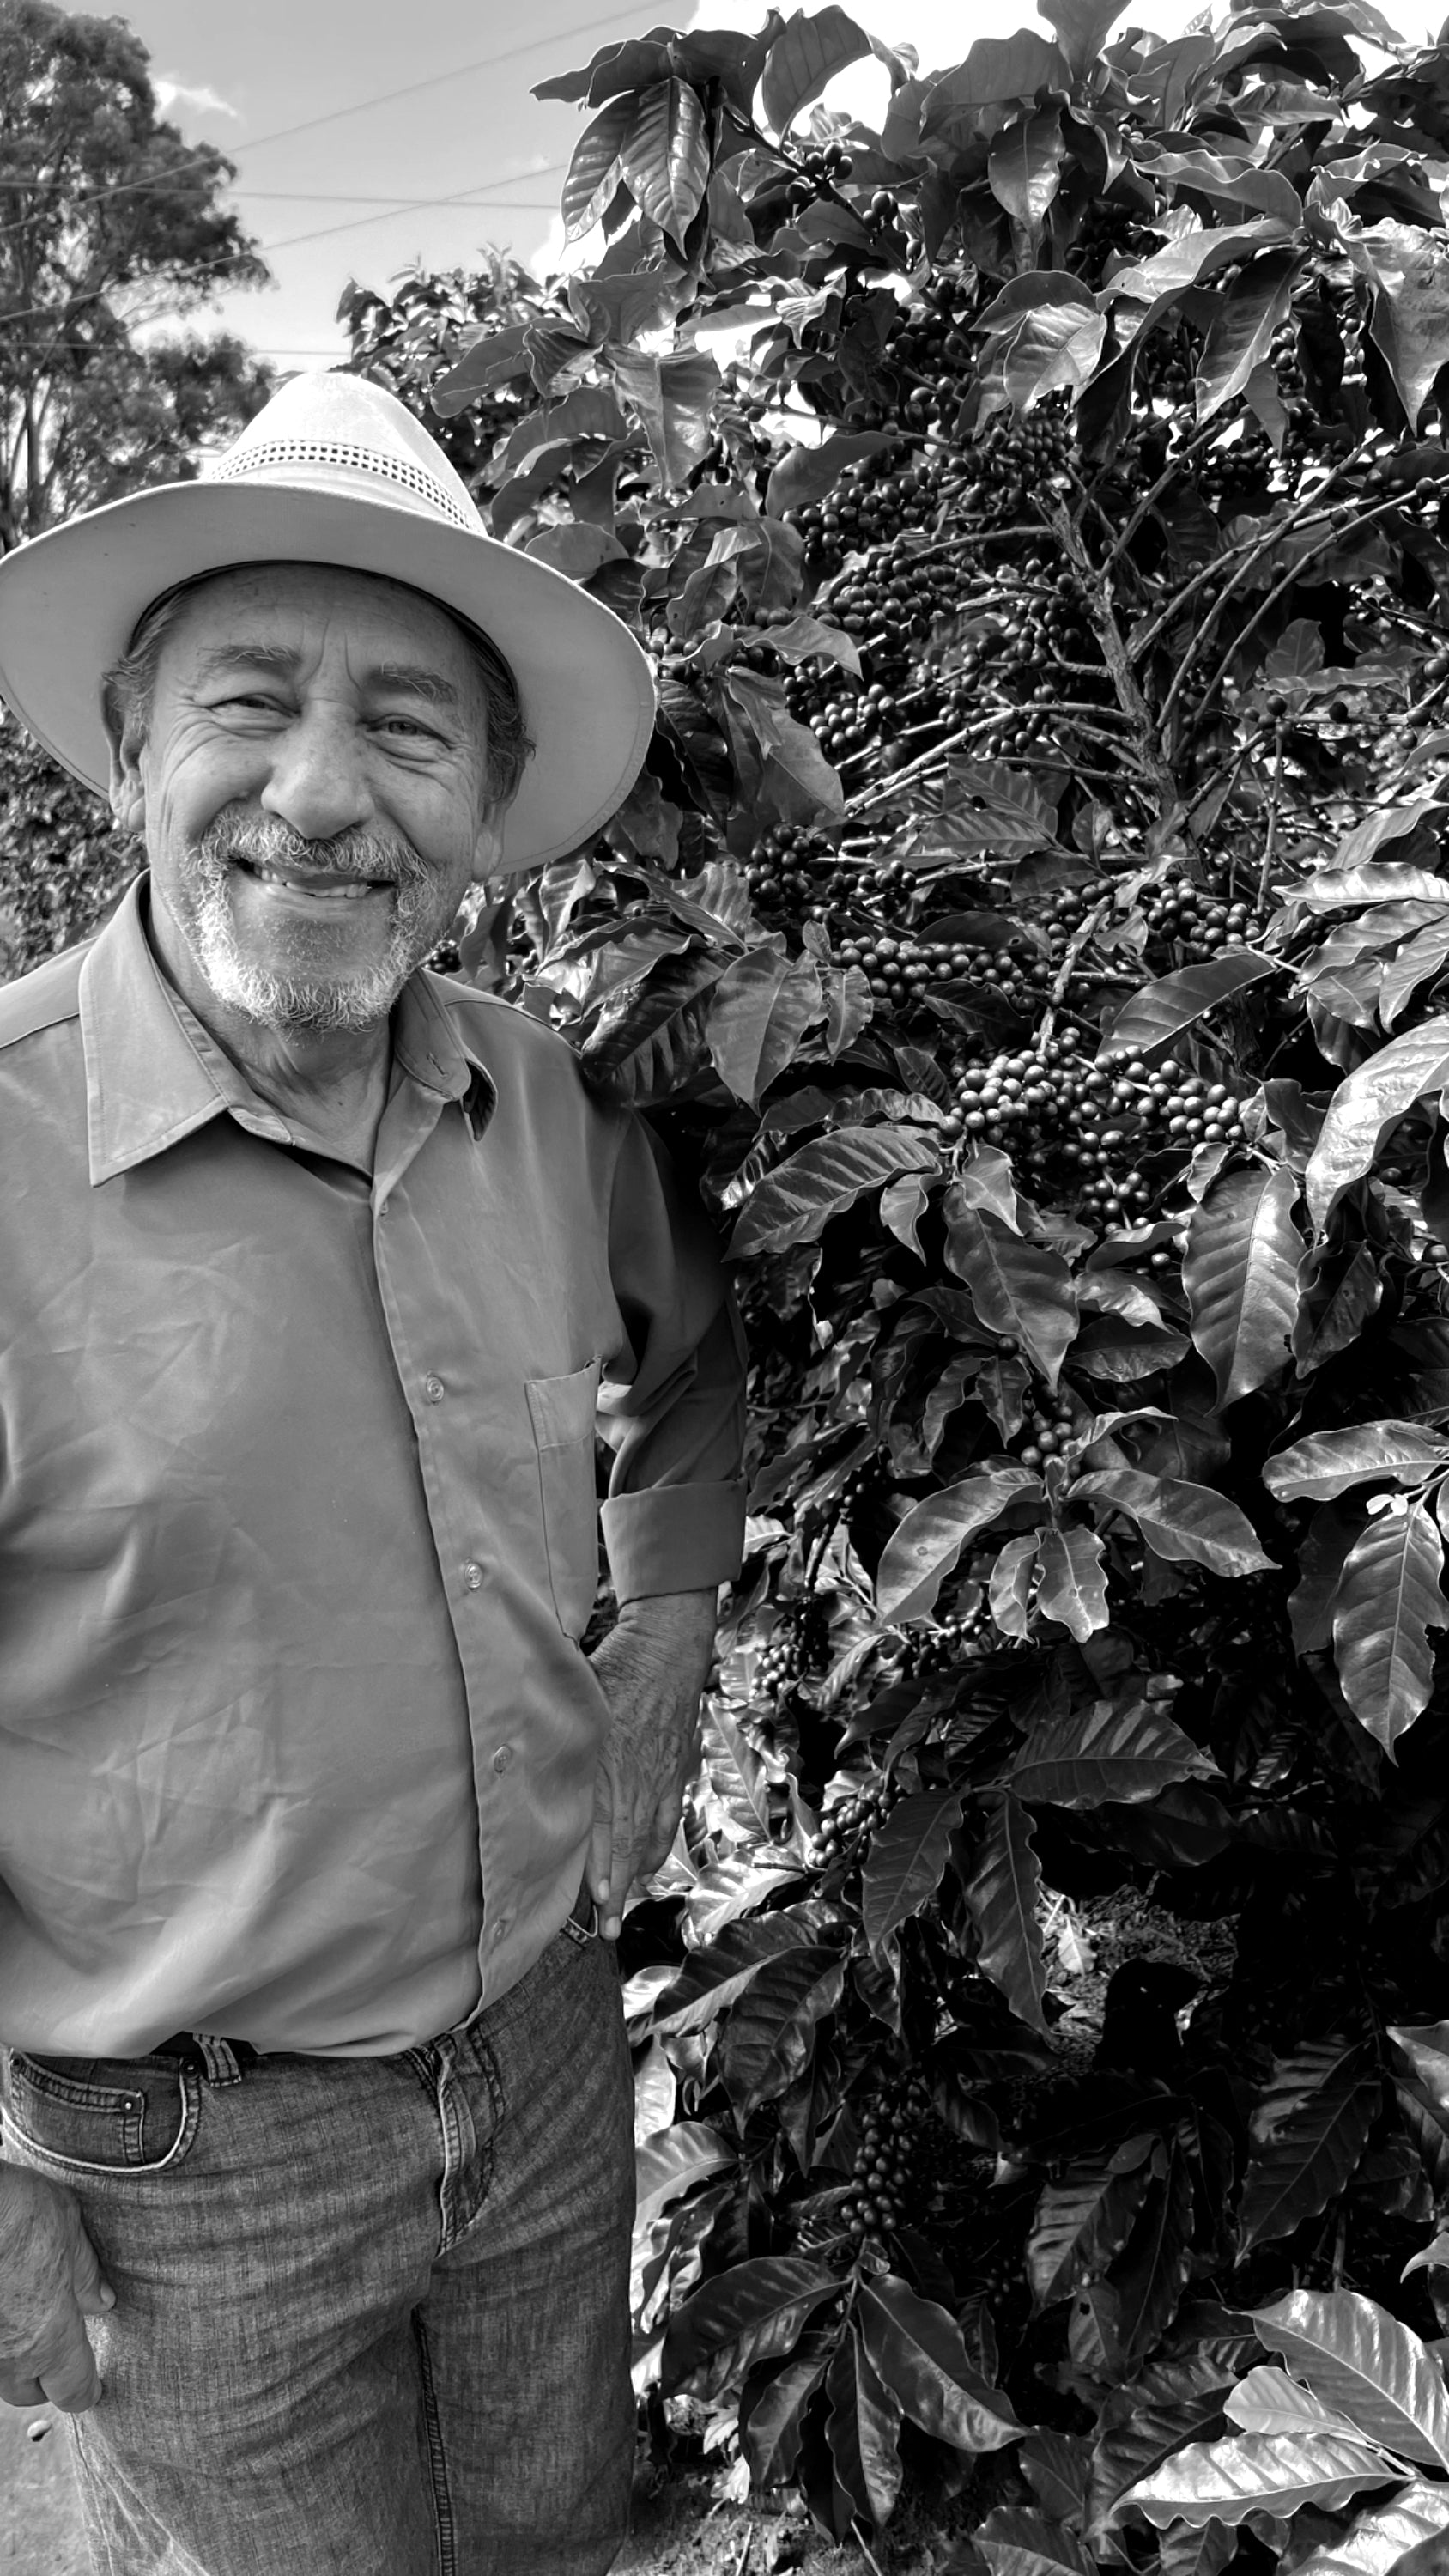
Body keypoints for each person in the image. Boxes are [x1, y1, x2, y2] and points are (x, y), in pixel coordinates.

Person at [0, 371, 747, 2575]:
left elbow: (689, 1357)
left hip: (538, 2072)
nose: (321, 799)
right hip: (186, 2164)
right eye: (251, 704)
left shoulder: (545, 1103)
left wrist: (671, 1631)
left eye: (408, 732)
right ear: (134, 748)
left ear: (488, 807)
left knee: (547, 2536)